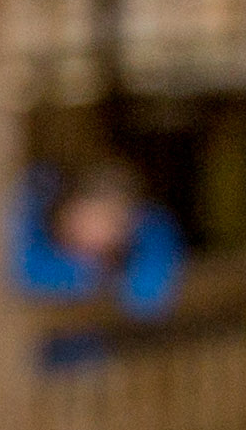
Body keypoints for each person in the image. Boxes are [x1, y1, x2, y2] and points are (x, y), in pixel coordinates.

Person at [13, 154, 186, 367]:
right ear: (68, 210)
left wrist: (147, 280)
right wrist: (86, 274)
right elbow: (23, 270)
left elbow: (157, 228)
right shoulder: (28, 234)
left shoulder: (140, 242)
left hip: (86, 362)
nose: (103, 233)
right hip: (26, 365)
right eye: (94, 219)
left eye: (116, 222)